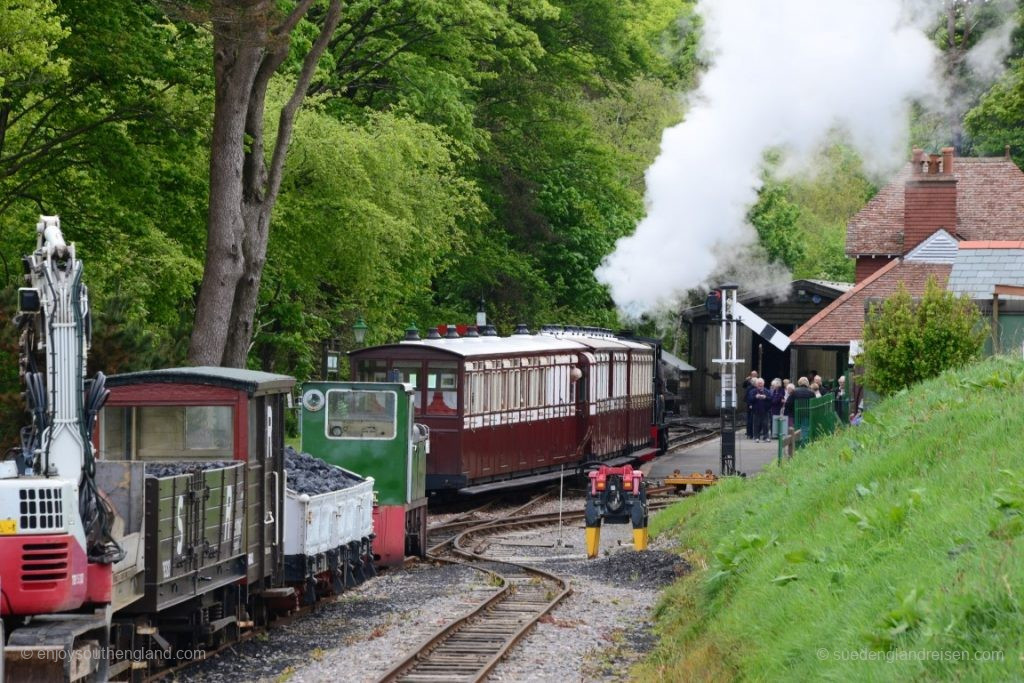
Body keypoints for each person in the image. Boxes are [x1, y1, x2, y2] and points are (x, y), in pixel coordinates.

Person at [743, 371, 758, 439]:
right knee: (750, 418)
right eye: (753, 374)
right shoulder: (749, 382)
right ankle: (749, 432)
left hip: (753, 403)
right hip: (750, 403)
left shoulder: (758, 381)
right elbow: (743, 386)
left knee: (752, 418)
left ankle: (751, 432)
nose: (754, 375)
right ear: (751, 375)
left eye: (755, 374)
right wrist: (746, 380)